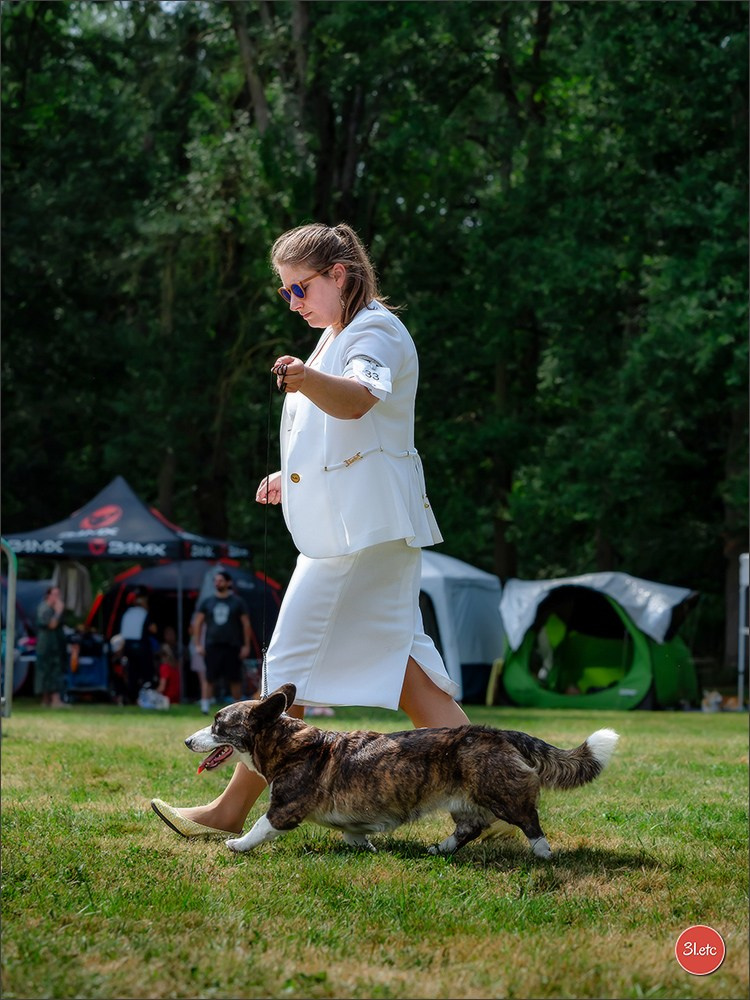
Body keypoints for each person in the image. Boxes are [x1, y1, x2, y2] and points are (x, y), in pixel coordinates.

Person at [151, 222, 471, 840]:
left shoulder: (374, 330)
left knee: (287, 666)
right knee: (407, 674)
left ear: (340, 276)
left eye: (301, 288)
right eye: (285, 293)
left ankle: (229, 811)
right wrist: (290, 474)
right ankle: (486, 795)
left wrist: (301, 377)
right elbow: (340, 435)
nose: (293, 302)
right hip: (355, 531)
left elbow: (355, 402)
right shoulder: (336, 334)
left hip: (358, 538)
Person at [192, 570, 252, 706]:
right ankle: (205, 706)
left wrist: (246, 645)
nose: (217, 583)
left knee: (234, 677)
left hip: (232, 645)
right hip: (212, 644)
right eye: (216, 581)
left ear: (228, 583)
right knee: (210, 676)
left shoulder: (237, 602)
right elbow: (198, 623)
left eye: (221, 580)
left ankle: (237, 706)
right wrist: (198, 644)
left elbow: (246, 624)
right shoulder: (207, 602)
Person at [120, 586, 157, 703]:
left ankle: (131, 697)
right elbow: (153, 629)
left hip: (128, 647)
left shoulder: (127, 613)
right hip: (141, 646)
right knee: (146, 672)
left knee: (132, 674)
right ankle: (146, 697)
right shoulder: (143, 613)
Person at [34, 585, 69, 708]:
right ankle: (52, 700)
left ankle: (49, 701)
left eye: (58, 594)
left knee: (53, 670)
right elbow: (51, 625)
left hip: (55, 644)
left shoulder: (53, 608)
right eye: (55, 594)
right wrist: (58, 611)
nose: (57, 597)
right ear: (48, 595)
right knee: (47, 671)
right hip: (46, 645)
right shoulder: (44, 608)